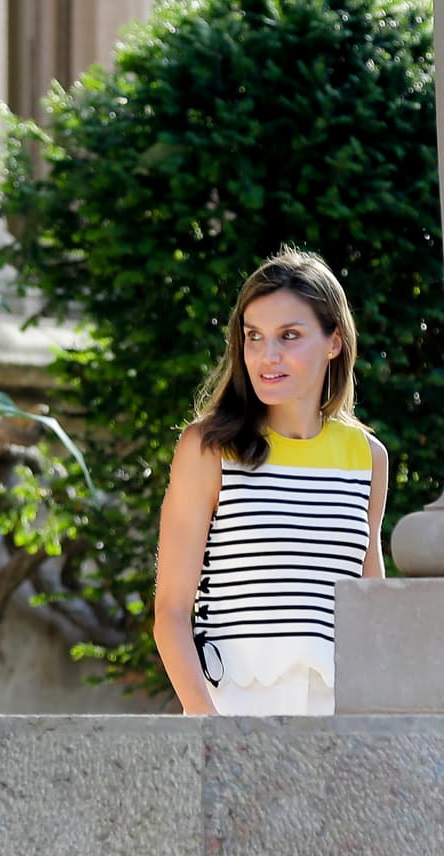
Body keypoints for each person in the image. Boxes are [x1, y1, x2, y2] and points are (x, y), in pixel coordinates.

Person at [154, 248, 388, 715]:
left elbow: (371, 613)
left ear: (334, 341)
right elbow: (171, 615)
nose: (267, 355)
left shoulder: (367, 458)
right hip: (232, 710)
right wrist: (211, 731)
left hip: (338, 723)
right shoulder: (208, 448)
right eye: (254, 337)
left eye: (290, 336)